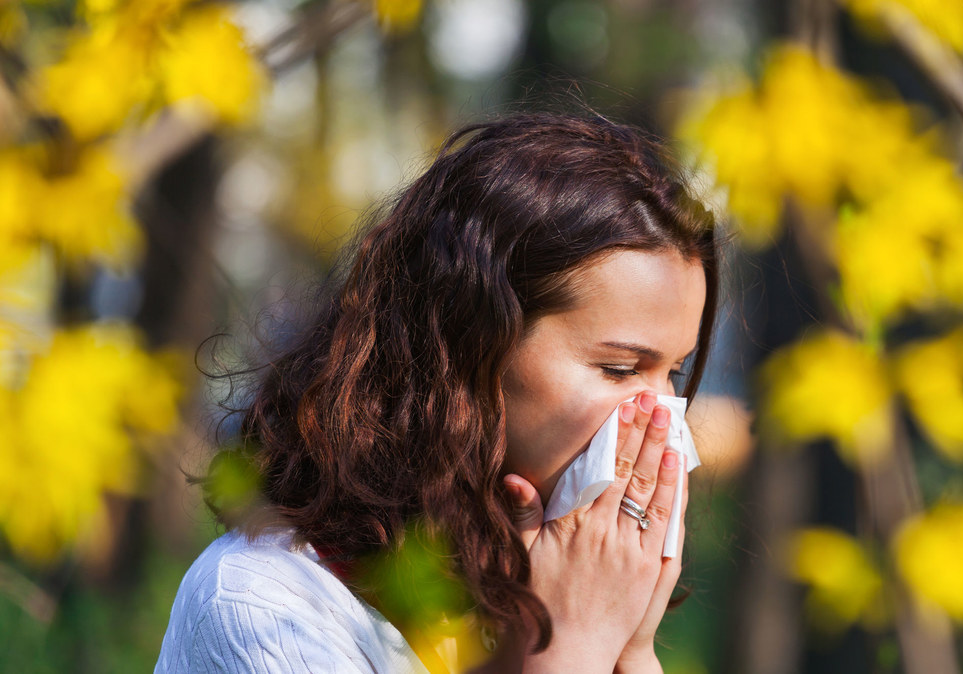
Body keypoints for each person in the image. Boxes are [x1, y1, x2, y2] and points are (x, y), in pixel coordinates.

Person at [155, 112, 720, 673]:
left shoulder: (518, 582)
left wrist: (629, 649)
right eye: (620, 370)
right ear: (471, 344)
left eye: (674, 372)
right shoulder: (267, 606)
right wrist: (570, 648)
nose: (662, 421)